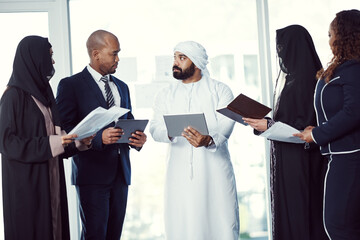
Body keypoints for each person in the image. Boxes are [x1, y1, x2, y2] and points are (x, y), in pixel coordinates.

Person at [56, 29, 147, 240]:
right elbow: (64, 131)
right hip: (92, 175)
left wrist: (137, 140)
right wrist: (98, 138)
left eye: (118, 53)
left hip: (121, 174)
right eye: (114, 53)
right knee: (95, 235)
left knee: (114, 235)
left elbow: (128, 122)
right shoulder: (71, 85)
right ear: (96, 54)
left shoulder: (122, 87)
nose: (118, 59)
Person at [0, 36, 93, 240]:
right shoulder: (12, 97)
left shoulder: (45, 95)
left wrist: (77, 143)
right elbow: (7, 144)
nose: (52, 62)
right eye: (49, 56)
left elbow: (55, 137)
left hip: (51, 178)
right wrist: (55, 142)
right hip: (27, 185)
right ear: (34, 58)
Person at [243, 25, 328, 240]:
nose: (280, 52)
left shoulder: (306, 82)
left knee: (301, 214)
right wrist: (266, 124)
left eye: (283, 46)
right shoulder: (295, 80)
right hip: (289, 159)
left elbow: (306, 129)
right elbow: (291, 122)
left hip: (302, 162)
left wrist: (269, 126)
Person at [150, 41, 239, 240]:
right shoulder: (165, 95)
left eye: (182, 58)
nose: (175, 63)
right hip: (178, 172)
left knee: (220, 221)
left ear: (197, 63)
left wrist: (208, 140)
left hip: (214, 170)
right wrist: (172, 131)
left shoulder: (221, 91)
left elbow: (225, 127)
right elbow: (155, 128)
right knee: (182, 222)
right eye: (175, 57)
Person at [294, 9, 360, 239]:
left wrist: (318, 133)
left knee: (338, 227)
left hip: (350, 157)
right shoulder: (343, 67)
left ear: (345, 36)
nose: (329, 39)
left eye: (331, 34)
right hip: (340, 155)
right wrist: (316, 130)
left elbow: (354, 112)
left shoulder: (354, 68)